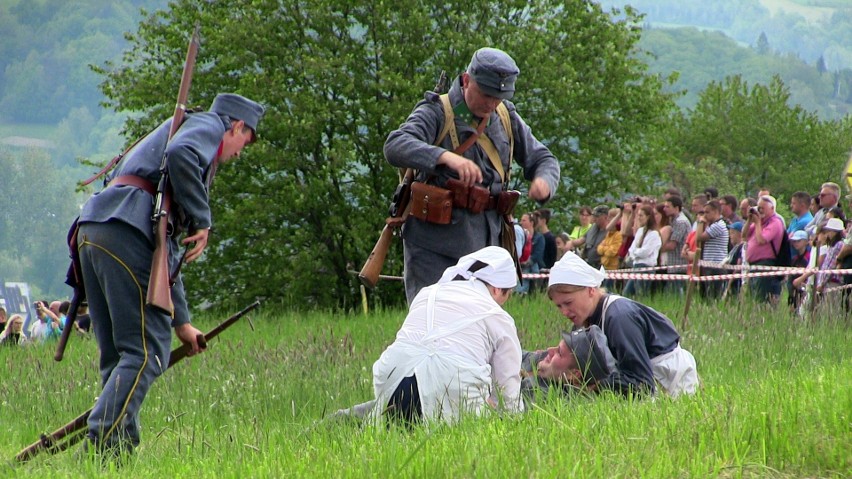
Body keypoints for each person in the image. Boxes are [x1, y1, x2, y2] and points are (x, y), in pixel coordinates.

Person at [76, 93, 264, 455]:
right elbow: (181, 156)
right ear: (236, 125)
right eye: (247, 140)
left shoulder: (176, 134)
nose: (241, 152)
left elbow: (167, 245)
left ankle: (116, 453)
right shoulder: (209, 125)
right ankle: (98, 444)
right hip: (126, 230)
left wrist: (183, 323)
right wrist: (204, 219)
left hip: (96, 228)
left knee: (120, 357)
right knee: (147, 352)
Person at [384, 47, 560, 303]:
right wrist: (443, 157)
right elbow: (395, 145)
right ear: (466, 80)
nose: (491, 103)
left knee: (480, 330)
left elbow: (543, 158)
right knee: (433, 325)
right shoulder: (438, 111)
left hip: (489, 248)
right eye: (486, 94)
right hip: (436, 249)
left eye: (498, 97)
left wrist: (544, 180)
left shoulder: (504, 116)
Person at [369, 246, 524, 424]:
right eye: (507, 295)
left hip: (393, 377)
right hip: (452, 383)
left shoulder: (426, 293)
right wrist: (510, 420)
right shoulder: (497, 315)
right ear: (497, 289)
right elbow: (508, 391)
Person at [546, 252, 699, 397]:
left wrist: (590, 386)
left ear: (590, 290)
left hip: (670, 385)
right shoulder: (587, 318)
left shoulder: (619, 317)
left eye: (568, 303)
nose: (564, 312)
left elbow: (642, 384)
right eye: (559, 306)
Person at [520, 325, 617, 401]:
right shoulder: (545, 363)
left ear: (574, 374)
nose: (550, 350)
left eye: (559, 353)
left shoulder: (546, 398)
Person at [743, 195, 786, 304]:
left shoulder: (775, 222)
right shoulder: (761, 222)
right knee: (753, 295)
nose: (760, 210)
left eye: (763, 208)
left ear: (772, 209)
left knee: (761, 297)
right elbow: (744, 235)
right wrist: (749, 221)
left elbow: (761, 240)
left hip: (765, 263)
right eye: (759, 207)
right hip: (753, 264)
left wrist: (757, 223)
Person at [622, 204, 661, 297]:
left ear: (648, 217)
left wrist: (635, 253)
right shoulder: (640, 231)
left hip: (646, 267)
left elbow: (645, 252)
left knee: (641, 294)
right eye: (638, 215)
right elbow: (631, 249)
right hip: (636, 265)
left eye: (641, 215)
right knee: (626, 293)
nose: (639, 218)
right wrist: (634, 253)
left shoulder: (654, 234)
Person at [697, 200, 729, 298]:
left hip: (715, 266)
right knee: (707, 295)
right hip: (709, 264)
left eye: (707, 212)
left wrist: (700, 223)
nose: (705, 215)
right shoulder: (712, 225)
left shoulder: (718, 225)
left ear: (715, 212)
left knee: (713, 296)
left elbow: (698, 238)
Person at [787, 230, 811, 312]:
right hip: (794, 290)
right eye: (794, 241)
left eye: (798, 241)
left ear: (806, 242)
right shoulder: (794, 259)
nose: (796, 243)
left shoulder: (809, 258)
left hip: (804, 289)